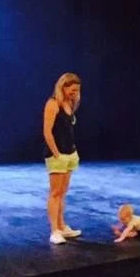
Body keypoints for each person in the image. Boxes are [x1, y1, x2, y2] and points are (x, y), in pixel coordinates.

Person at [43, 72, 82, 245]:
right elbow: (47, 131)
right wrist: (56, 153)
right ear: (63, 87)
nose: (74, 93)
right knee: (55, 193)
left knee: (63, 193)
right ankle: (54, 231)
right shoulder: (53, 104)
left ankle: (62, 226)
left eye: (77, 90)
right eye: (72, 90)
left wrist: (71, 153)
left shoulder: (70, 104)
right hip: (57, 155)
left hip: (70, 153)